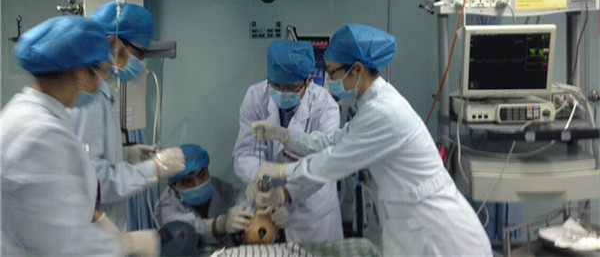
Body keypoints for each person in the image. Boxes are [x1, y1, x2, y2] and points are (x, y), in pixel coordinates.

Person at [250, 24, 493, 256]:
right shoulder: (370, 107)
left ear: (357, 69)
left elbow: (334, 161)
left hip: (440, 232)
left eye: (332, 72)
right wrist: (284, 135)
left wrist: (282, 174)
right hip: (411, 221)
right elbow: (332, 142)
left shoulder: (383, 112)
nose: (328, 79)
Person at [1, 15, 157, 255]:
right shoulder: (41, 134)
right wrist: (127, 244)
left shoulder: (21, 111)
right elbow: (62, 243)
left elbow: (47, 200)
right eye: (100, 72)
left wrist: (127, 154)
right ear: (83, 73)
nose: (101, 81)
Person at [68, 0, 185, 231]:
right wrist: (153, 169)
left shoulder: (100, 89)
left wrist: (126, 154)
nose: (140, 62)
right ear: (113, 43)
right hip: (87, 232)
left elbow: (90, 155)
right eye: (139, 53)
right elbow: (94, 180)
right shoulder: (87, 97)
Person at [233, 40, 343, 243]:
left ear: (309, 81)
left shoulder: (325, 107)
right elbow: (246, 151)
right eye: (276, 86)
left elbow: (324, 163)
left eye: (291, 88)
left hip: (310, 213)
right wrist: (259, 181)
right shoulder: (255, 97)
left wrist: (287, 194)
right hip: (264, 207)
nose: (282, 93)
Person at [156, 144, 290, 247]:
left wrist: (262, 212)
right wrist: (220, 224)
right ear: (172, 186)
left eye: (202, 175)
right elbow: (189, 230)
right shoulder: (165, 206)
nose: (198, 184)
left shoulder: (217, 186)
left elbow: (239, 197)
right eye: (186, 182)